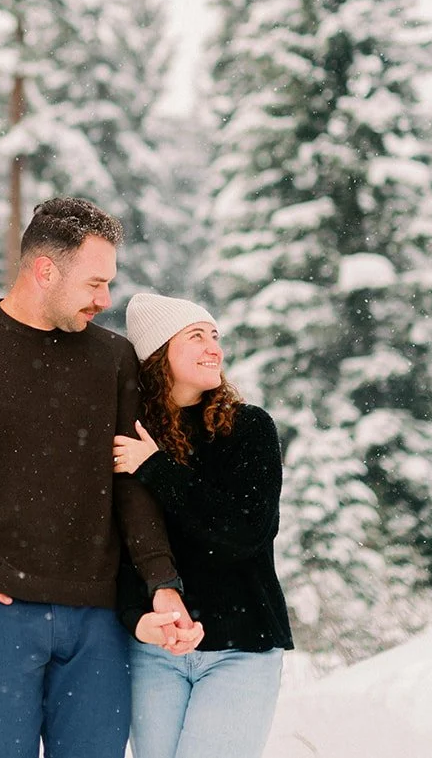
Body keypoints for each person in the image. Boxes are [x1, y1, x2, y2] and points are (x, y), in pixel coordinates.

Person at [0, 198, 203, 758]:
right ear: (45, 270)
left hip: (99, 622)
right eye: (94, 283)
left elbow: (131, 484)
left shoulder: (113, 359)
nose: (105, 299)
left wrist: (161, 581)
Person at [113, 293, 293, 758]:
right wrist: (139, 621)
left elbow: (244, 531)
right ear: (158, 354)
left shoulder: (249, 428)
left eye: (215, 336)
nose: (214, 347)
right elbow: (120, 544)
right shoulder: (129, 436)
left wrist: (156, 467)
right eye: (196, 336)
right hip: (156, 651)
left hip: (241, 647)